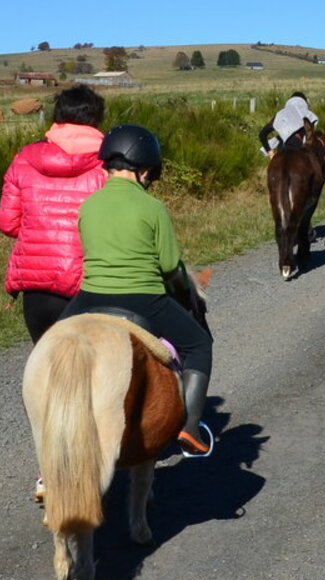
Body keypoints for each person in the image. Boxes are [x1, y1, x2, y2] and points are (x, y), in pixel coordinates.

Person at [62, 124, 216, 456]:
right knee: (199, 344)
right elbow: (169, 266)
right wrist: (181, 289)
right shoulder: (153, 208)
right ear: (145, 170)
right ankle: (190, 429)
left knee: (53, 346)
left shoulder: (88, 205)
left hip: (89, 298)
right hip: (144, 299)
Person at [0, 85, 108, 343]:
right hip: (89, 281)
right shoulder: (108, 164)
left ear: (57, 117)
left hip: (36, 288)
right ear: (96, 118)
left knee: (48, 374)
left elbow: (6, 222)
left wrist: (41, 229)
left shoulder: (24, 158)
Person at [258, 91, 321, 156]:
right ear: (305, 103)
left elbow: (262, 134)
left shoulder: (280, 115)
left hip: (282, 151)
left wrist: (270, 153)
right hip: (301, 152)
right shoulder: (309, 116)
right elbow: (310, 140)